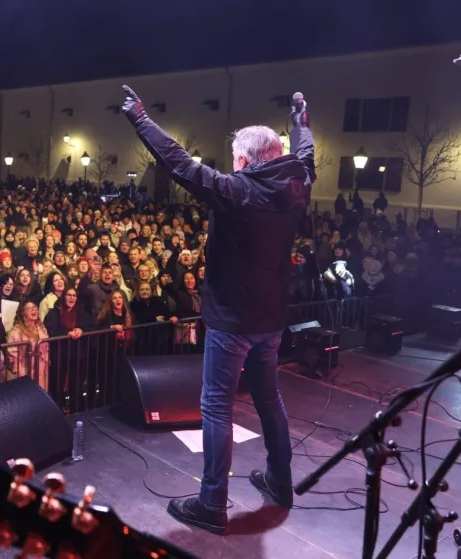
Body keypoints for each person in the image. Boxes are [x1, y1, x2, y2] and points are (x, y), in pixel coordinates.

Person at [122, 84, 313, 532]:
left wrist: (140, 119)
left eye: (234, 160)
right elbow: (304, 152)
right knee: (269, 399)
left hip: (232, 320)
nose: (231, 167)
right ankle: (280, 483)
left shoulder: (239, 191)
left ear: (245, 161)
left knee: (216, 407)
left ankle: (212, 504)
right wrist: (300, 120)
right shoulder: (297, 182)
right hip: (272, 317)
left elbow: (182, 166)